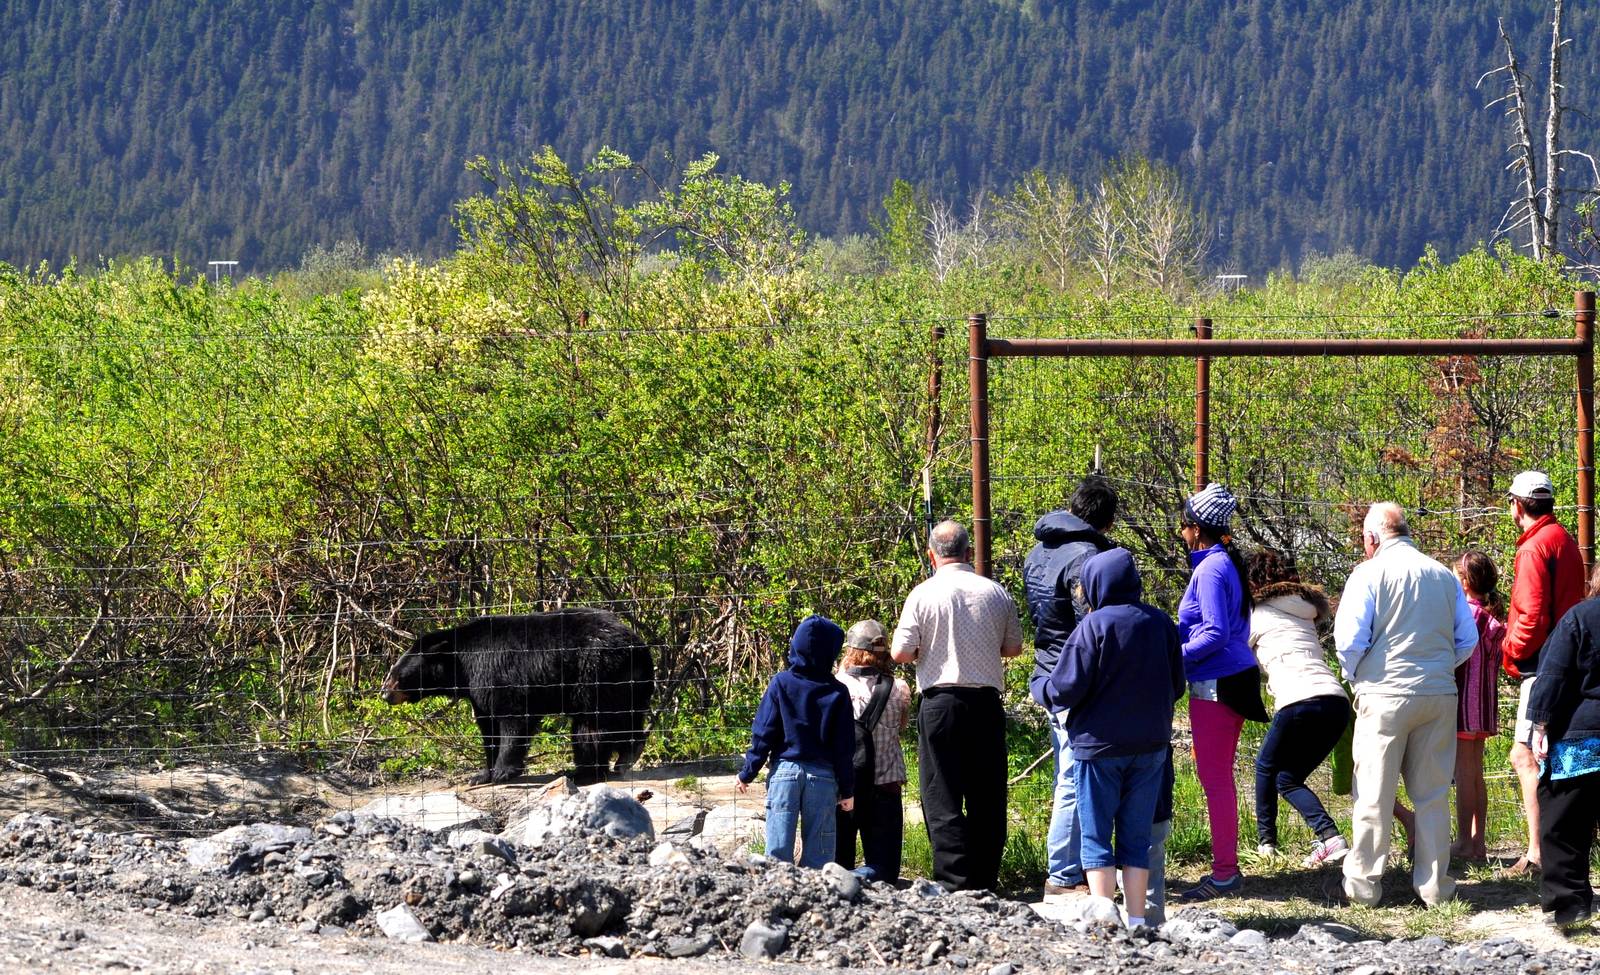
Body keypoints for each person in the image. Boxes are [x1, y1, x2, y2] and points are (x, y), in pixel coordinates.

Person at [1327, 502, 1477, 908]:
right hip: (1438, 693)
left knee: (1373, 792)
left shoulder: (1369, 573)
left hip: (1384, 693)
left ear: (1373, 537)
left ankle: (1363, 888)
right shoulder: (1444, 575)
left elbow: (1349, 640)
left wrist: (1359, 676)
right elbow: (1468, 638)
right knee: (1431, 794)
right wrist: (1440, 667)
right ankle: (1434, 887)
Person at [1040, 548, 1185, 928]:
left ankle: (1106, 920)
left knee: (1096, 835)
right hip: (1150, 746)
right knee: (1137, 839)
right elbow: (1177, 685)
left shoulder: (1093, 626)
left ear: (1096, 585)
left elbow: (1065, 688)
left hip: (1098, 746)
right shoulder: (1160, 622)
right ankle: (1137, 921)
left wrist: (1040, 686)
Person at [892, 519, 1024, 892]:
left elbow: (901, 652)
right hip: (985, 702)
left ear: (932, 556)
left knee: (941, 792)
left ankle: (953, 881)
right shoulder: (996, 592)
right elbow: (1013, 647)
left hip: (940, 702)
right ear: (969, 553)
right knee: (988, 793)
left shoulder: (923, 594)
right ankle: (985, 878)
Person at [1022, 476, 1119, 895]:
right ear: (1108, 521)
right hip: (1077, 676)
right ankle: (1064, 874)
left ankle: (1076, 867)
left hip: (1048, 667)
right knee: (1075, 773)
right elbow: (1092, 625)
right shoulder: (1087, 558)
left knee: (1072, 769)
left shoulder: (1038, 551)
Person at [1175, 482, 1265, 901]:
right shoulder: (1220, 563)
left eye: (1184, 525)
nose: (1180, 533)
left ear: (1197, 528)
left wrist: (1175, 656)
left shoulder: (1210, 569)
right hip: (1230, 678)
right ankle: (1226, 867)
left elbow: (1214, 631)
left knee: (1215, 780)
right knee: (1219, 779)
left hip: (1217, 683)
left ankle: (1225, 873)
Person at [1501, 470, 1585, 878]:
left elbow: (1532, 616)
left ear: (1517, 504)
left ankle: (1538, 852)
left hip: (1542, 664)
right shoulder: (1564, 540)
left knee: (1526, 755)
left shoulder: (1534, 547)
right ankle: (1553, 847)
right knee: (1548, 753)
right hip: (1567, 659)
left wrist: (1510, 653)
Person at [1246, 548, 1352, 868]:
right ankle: (1330, 838)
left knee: (1266, 766)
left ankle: (1266, 843)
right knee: (1287, 778)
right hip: (1335, 702)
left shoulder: (1256, 615)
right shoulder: (1303, 610)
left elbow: (1238, 655)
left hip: (1298, 699)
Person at [735, 615, 856, 868]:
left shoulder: (781, 683)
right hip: (822, 778)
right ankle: (815, 903)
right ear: (831, 652)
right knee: (820, 859)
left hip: (784, 773)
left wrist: (748, 772)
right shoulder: (838, 691)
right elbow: (844, 747)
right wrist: (847, 790)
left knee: (776, 857)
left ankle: (777, 900)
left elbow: (763, 732)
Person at [1527, 563, 1600, 932]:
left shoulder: (1579, 617)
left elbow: (1553, 674)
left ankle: (1570, 905)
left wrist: (1539, 723)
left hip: (1583, 741)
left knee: (1564, 825)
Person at [833, 619, 912, 883]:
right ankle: (866, 877)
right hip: (886, 786)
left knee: (837, 865)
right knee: (886, 871)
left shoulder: (835, 686)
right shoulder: (899, 689)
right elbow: (900, 728)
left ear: (851, 650)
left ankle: (850, 880)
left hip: (844, 788)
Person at [1452, 550, 1506, 862]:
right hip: (1485, 705)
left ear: (1464, 580)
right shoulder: (1491, 618)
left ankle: (1463, 842)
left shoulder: (1465, 616)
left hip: (1463, 703)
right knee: (1476, 773)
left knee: (1464, 773)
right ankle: (1479, 842)